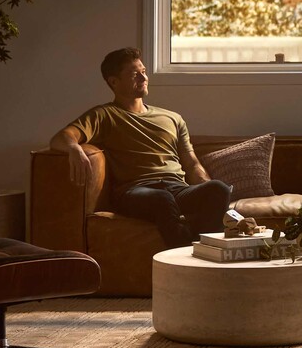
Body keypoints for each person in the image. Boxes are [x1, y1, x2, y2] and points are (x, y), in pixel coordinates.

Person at [50, 47, 232, 247]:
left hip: (177, 189)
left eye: (144, 71)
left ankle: (204, 250)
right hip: (135, 191)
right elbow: (62, 137)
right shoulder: (104, 115)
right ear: (114, 82)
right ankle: (186, 254)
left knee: (218, 189)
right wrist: (74, 148)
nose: (143, 77)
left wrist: (205, 189)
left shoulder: (172, 118)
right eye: (134, 74)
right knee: (162, 199)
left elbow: (192, 164)